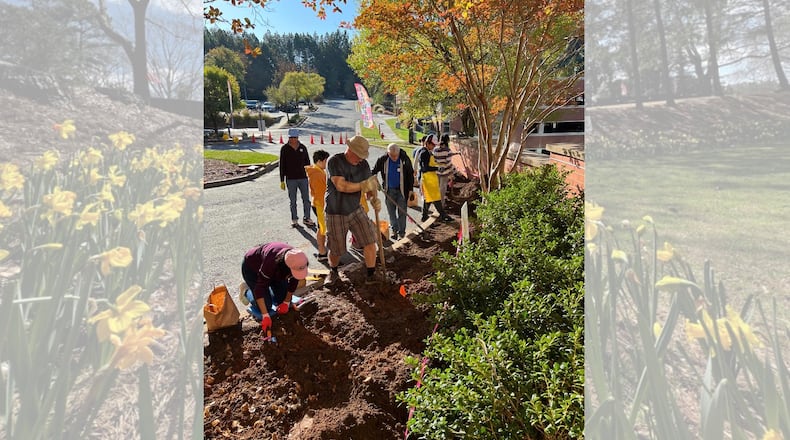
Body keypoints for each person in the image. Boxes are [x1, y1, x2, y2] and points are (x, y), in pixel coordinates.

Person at [324, 135, 382, 285]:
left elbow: (368, 188)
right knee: (336, 250)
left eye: (363, 156)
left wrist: (373, 198)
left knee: (370, 241)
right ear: (349, 149)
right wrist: (363, 186)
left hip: (355, 209)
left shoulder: (363, 165)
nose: (361, 159)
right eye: (359, 155)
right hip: (335, 211)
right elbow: (341, 186)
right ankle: (333, 271)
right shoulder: (335, 161)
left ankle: (371, 275)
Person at [239, 242, 308, 333]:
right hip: (252, 269)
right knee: (266, 305)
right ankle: (246, 291)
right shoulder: (271, 263)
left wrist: (286, 302)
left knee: (282, 299)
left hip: (275, 271)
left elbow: (294, 281)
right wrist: (265, 316)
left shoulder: (298, 260)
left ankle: (269, 287)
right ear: (285, 269)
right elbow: (259, 289)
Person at [371, 143, 414, 240]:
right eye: (391, 155)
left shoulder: (405, 160)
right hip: (389, 190)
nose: (394, 158)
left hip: (402, 191)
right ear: (388, 153)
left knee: (402, 212)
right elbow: (373, 171)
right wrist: (373, 179)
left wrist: (411, 190)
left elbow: (410, 175)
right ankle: (395, 230)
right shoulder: (383, 160)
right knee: (391, 212)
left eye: (396, 156)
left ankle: (401, 233)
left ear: (399, 153)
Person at [279, 128, 315, 228]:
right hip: (290, 179)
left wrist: (310, 175)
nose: (293, 139)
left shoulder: (303, 147)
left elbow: (307, 162)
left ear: (297, 137)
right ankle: (294, 219)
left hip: (303, 178)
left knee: (306, 200)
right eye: (291, 137)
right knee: (293, 200)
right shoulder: (285, 149)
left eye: (295, 137)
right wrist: (282, 180)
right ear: (289, 138)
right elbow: (282, 165)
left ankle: (307, 218)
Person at [419, 134, 453, 222]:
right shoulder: (424, 153)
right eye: (433, 144)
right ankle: (442, 215)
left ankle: (425, 215)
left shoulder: (428, 152)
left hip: (431, 178)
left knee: (430, 198)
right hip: (428, 179)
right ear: (428, 143)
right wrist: (437, 168)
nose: (434, 146)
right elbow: (425, 168)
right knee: (435, 198)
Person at [305, 150, 330, 262]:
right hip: (320, 204)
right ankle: (322, 252)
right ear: (320, 161)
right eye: (326, 161)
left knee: (322, 228)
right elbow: (321, 192)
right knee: (323, 229)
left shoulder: (317, 171)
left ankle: (322, 251)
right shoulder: (317, 174)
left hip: (318, 203)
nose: (327, 163)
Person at [434, 134, 457, 208]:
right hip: (445, 172)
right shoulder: (448, 150)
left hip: (437, 171)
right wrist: (453, 171)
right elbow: (448, 163)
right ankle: (441, 204)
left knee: (437, 188)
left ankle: (435, 203)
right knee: (442, 189)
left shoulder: (435, 149)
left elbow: (434, 160)